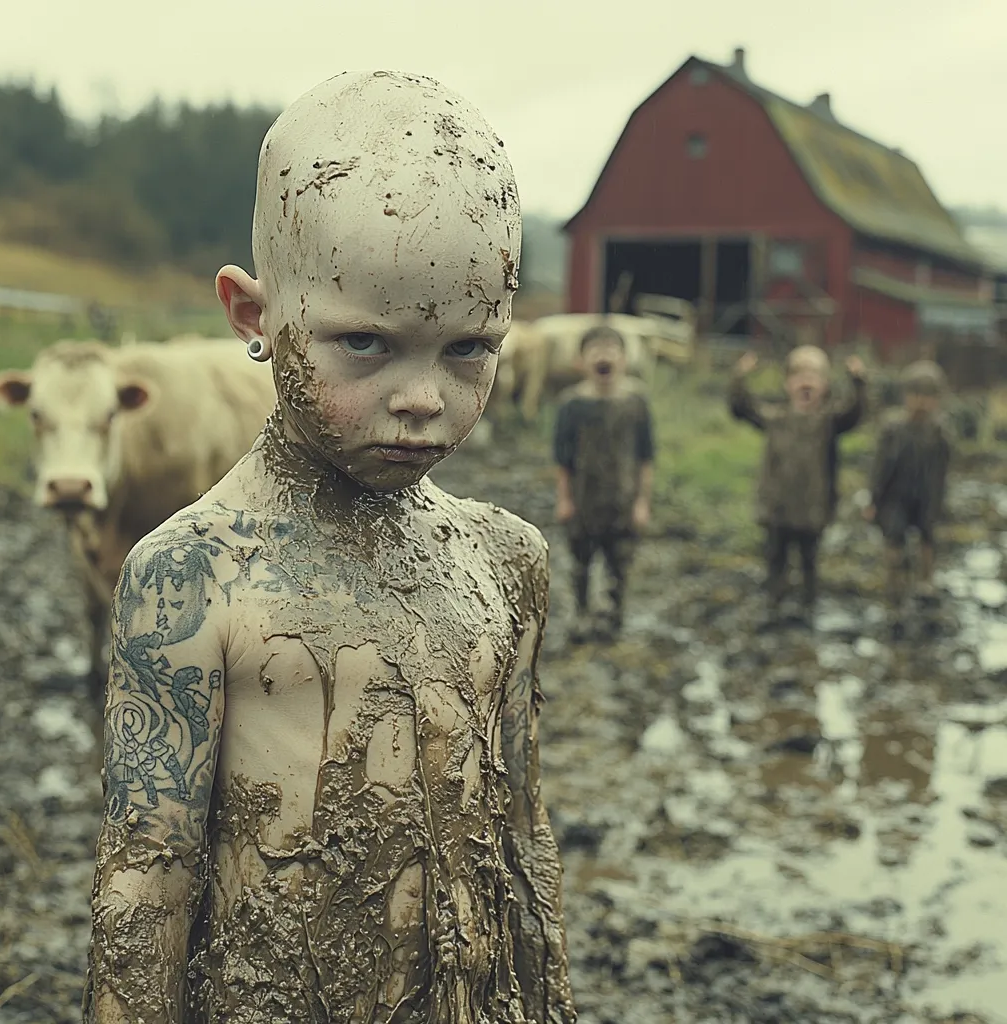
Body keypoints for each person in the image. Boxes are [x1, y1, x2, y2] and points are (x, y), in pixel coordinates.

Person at [84, 71, 575, 1024]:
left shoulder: (505, 560)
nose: (423, 397)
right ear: (254, 315)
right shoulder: (194, 575)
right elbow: (144, 888)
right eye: (365, 344)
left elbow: (523, 838)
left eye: (469, 349)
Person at [730, 345, 867, 623]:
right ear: (787, 383)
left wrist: (859, 382)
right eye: (798, 375)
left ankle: (808, 606)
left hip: (812, 507)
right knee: (775, 558)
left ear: (825, 384)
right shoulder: (775, 418)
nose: (806, 381)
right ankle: (774, 604)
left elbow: (855, 413)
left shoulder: (828, 420)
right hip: (776, 507)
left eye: (814, 375)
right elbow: (742, 408)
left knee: (809, 560)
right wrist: (739, 378)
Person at [553, 325, 654, 641]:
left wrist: (642, 502)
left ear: (625, 359)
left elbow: (646, 456)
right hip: (583, 500)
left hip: (622, 499)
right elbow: (562, 459)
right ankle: (581, 615)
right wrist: (564, 499)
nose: (604, 355)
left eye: (612, 349)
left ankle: (613, 617)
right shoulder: (571, 404)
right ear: (580, 361)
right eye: (595, 350)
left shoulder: (636, 402)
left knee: (619, 564)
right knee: (581, 564)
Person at [864, 360, 952, 631]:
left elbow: (944, 471)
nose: (921, 403)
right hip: (895, 497)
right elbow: (880, 467)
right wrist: (873, 500)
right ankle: (894, 590)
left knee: (928, 539)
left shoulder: (940, 433)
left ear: (937, 400)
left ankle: (926, 583)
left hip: (927, 496)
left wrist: (941, 503)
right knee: (894, 541)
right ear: (905, 396)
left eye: (928, 396)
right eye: (916, 395)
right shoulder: (893, 429)